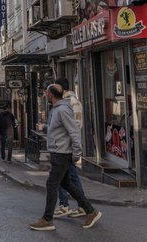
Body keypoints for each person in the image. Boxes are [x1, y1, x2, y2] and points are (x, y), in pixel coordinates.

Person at [29, 83, 101, 231]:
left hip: (62, 154)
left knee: (51, 184)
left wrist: (77, 153)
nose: (45, 95)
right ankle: (90, 211)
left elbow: (74, 131)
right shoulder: (57, 110)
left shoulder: (62, 110)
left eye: (46, 93)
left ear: (50, 95)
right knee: (66, 184)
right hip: (58, 152)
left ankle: (47, 219)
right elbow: (59, 129)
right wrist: (45, 128)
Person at [53, 77, 87, 218]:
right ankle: (77, 205)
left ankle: (67, 205)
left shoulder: (72, 103)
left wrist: (75, 149)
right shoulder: (64, 102)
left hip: (66, 147)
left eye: (56, 87)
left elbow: (75, 127)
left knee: (65, 177)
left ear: (63, 89)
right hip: (62, 147)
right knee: (68, 177)